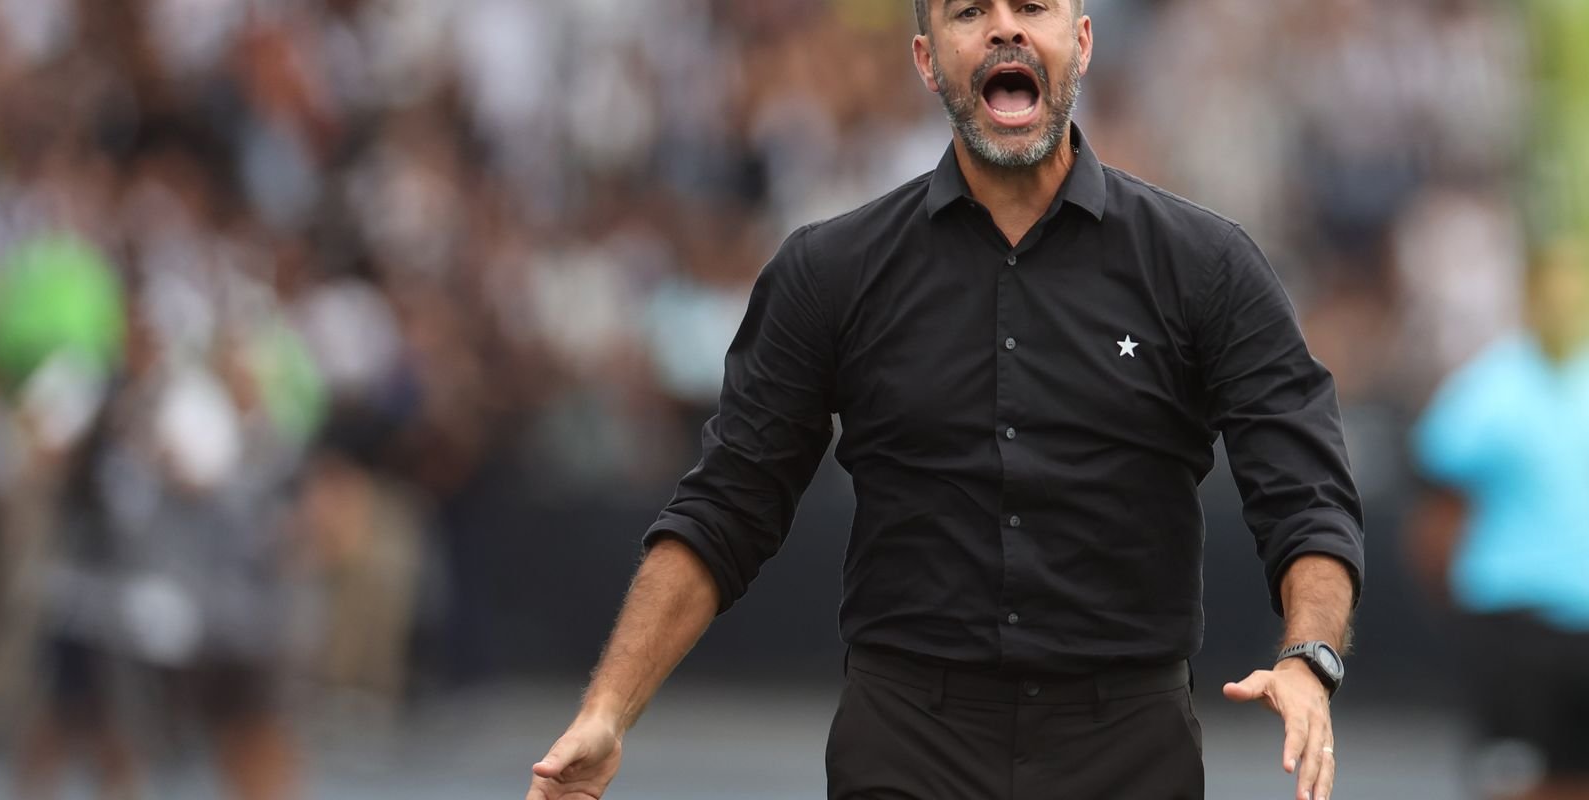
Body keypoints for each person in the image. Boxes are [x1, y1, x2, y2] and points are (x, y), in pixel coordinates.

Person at [527, 2, 1364, 799]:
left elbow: (1307, 495)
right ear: (927, 60)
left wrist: (1309, 657)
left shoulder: (1205, 266)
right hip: (906, 741)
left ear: (1081, 41)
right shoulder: (832, 272)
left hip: (1128, 747)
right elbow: (726, 507)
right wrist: (607, 712)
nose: (1003, 27)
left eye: (1032, 8)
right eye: (968, 12)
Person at [1408, 240, 1589, 800]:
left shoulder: (1486, 384)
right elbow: (1440, 511)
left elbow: (1434, 518)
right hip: (1516, 627)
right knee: (1520, 778)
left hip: (1514, 622)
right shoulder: (1490, 386)